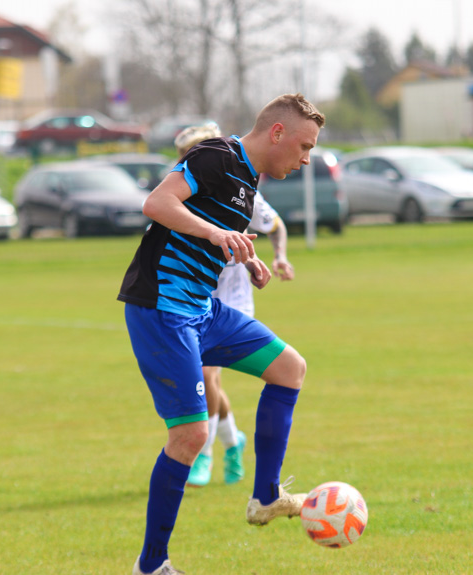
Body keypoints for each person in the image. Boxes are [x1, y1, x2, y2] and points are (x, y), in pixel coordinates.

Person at [119, 93, 325, 575]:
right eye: (304, 146)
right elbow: (158, 203)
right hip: (163, 309)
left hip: (202, 309)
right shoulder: (216, 155)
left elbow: (211, 233)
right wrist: (216, 236)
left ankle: (265, 496)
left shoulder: (248, 182)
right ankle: (151, 565)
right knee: (190, 435)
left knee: (289, 368)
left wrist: (247, 258)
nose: (306, 159)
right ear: (277, 133)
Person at [172, 124, 296, 489]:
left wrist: (280, 258)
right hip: (194, 298)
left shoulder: (244, 194)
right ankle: (232, 441)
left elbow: (276, 226)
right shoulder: (182, 196)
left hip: (234, 302)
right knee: (209, 382)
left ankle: (204, 453)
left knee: (207, 377)